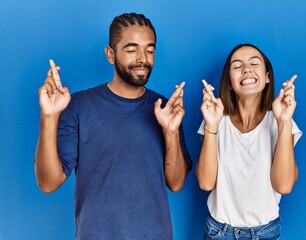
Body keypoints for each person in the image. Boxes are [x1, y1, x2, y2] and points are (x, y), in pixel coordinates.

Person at [35, 13, 192, 240]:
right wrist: (49, 116)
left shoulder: (166, 109)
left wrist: (171, 131)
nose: (142, 58)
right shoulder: (79, 106)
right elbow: (48, 183)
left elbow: (176, 183)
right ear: (110, 54)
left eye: (149, 49)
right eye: (131, 49)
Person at [196, 43, 302, 240]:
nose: (246, 69)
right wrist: (211, 125)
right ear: (229, 81)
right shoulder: (215, 118)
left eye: (255, 63)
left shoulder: (281, 120)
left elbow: (284, 185)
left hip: (265, 233)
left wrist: (284, 123)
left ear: (267, 76)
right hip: (219, 232)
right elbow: (205, 182)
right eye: (237, 66)